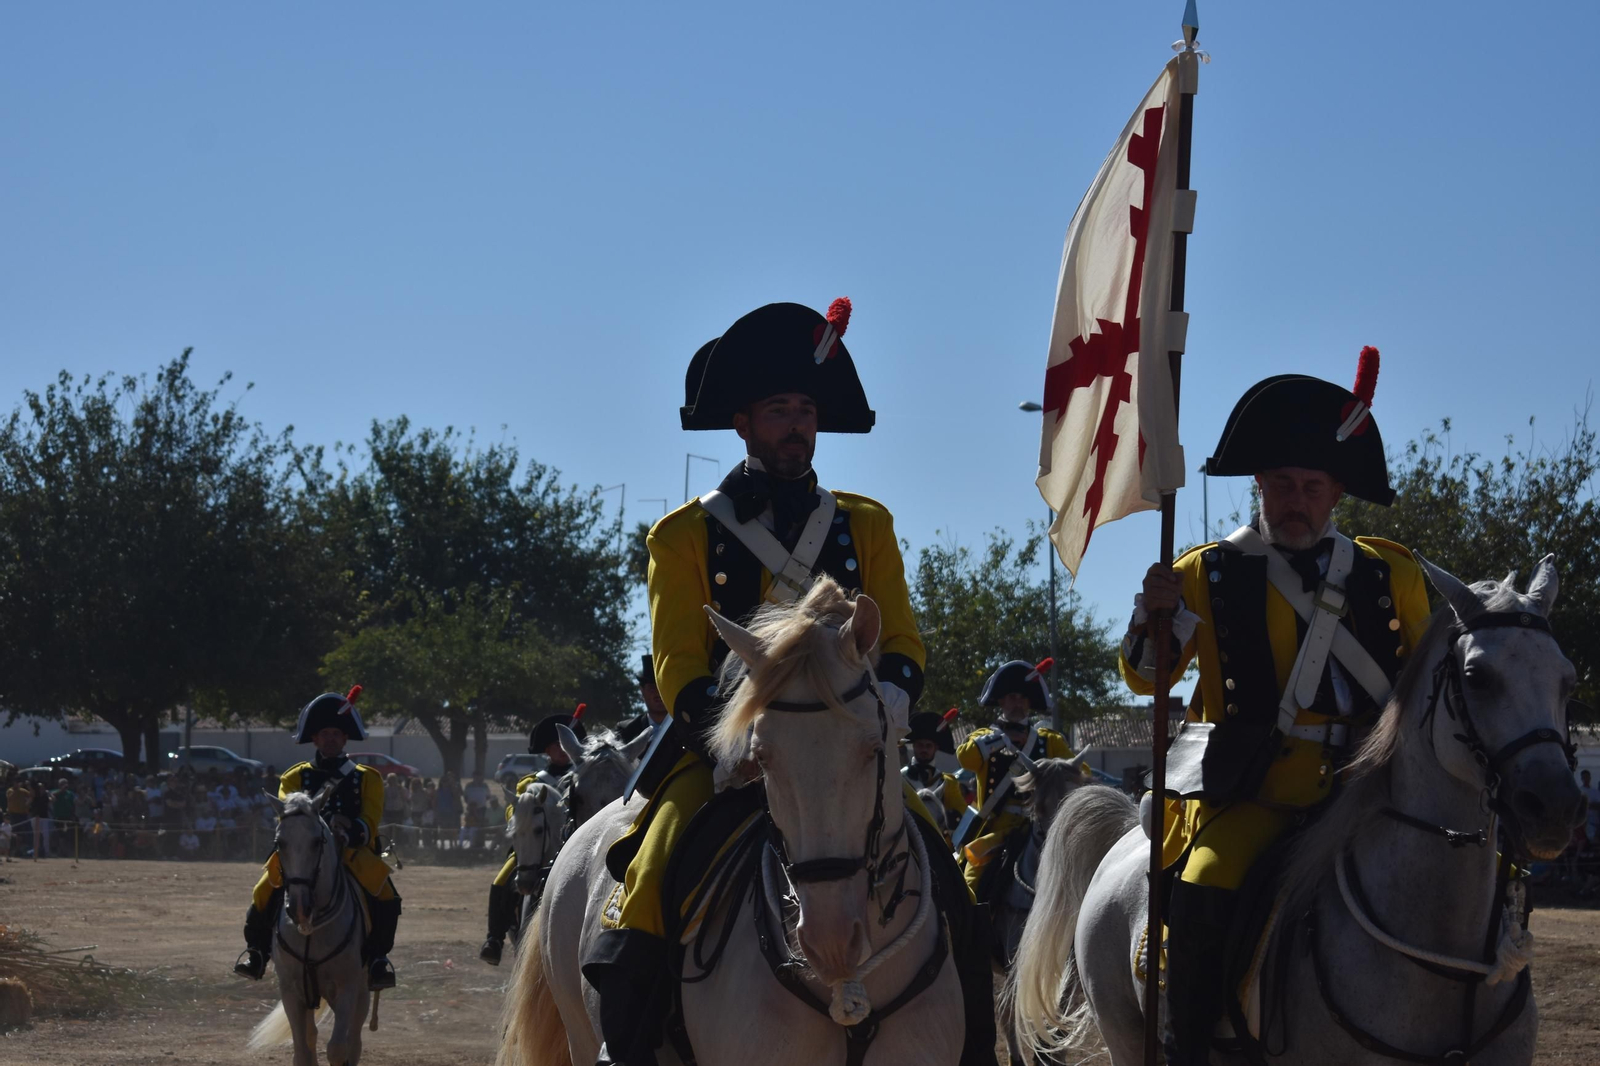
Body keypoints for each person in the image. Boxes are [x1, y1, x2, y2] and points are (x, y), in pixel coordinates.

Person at [581, 297, 996, 1066]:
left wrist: (892, 692)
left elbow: (899, 636)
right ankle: (627, 1046)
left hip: (846, 748)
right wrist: (727, 737)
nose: (796, 424)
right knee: (651, 868)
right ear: (742, 423)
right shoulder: (681, 535)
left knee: (945, 871)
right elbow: (679, 662)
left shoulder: (865, 523)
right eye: (779, 410)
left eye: (805, 409)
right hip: (726, 756)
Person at [1122, 348, 1432, 1065]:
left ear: (1336, 494)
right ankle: (1190, 1045)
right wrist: (1153, 618)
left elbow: (1425, 680)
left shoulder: (1392, 575)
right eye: (1284, 484)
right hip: (1252, 796)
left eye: (1312, 486)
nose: (1297, 499)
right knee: (1203, 884)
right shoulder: (1205, 572)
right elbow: (1148, 678)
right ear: (1258, 486)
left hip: (1369, 792)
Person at [234, 686, 402, 991]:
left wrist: (348, 831)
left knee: (387, 897)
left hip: (352, 853)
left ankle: (378, 960)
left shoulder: (367, 777)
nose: (330, 739)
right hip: (303, 854)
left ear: (345, 738)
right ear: (314, 738)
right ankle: (256, 952)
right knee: (263, 891)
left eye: (336, 734)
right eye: (324, 734)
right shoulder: (294, 776)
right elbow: (288, 813)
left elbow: (370, 820)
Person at [478, 712, 588, 966]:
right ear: (547, 750)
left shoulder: (583, 779)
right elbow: (514, 813)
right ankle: (494, 938)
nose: (561, 750)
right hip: (534, 849)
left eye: (565, 745)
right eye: (555, 746)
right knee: (501, 880)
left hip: (577, 846)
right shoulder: (531, 782)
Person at [956, 660, 1073, 897]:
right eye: (1011, 696)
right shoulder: (985, 737)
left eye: (1022, 697)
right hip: (996, 830)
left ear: (1030, 702)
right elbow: (965, 759)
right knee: (971, 883)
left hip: (1040, 829)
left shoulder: (1050, 741)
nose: (1017, 702)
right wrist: (999, 739)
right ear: (1001, 701)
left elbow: (1077, 775)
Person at [901, 710, 965, 833]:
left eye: (928, 746)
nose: (924, 749)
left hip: (938, 842)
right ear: (913, 746)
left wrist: (953, 817)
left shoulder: (948, 783)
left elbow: (962, 815)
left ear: (936, 748)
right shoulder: (899, 779)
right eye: (920, 745)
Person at [614, 655, 670, 743]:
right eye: (652, 688)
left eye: (662, 687)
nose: (658, 693)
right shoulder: (627, 730)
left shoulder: (686, 728)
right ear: (642, 690)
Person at [29, 781, 51, 859]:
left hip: (44, 817)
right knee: (36, 835)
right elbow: (29, 803)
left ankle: (47, 852)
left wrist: (49, 794)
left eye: (42, 788)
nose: (41, 789)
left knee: (46, 836)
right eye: (39, 788)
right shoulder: (34, 795)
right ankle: (35, 852)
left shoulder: (45, 796)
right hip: (35, 817)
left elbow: (52, 800)